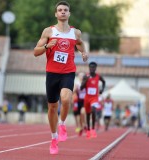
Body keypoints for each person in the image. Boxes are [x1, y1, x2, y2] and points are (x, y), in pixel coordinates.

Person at [34, 1, 88, 155]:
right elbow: (35, 52)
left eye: (65, 10)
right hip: (52, 73)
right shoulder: (48, 32)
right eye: (60, 10)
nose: (63, 12)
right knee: (52, 107)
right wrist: (47, 47)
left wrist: (83, 53)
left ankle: (62, 124)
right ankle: (53, 138)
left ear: (69, 14)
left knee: (65, 100)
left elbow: (80, 44)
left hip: (68, 72)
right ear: (56, 14)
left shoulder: (75, 32)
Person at [80, 61, 106, 139]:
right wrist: (85, 80)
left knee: (94, 110)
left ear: (95, 68)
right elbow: (81, 88)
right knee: (88, 114)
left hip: (94, 98)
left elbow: (104, 82)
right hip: (87, 98)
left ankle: (93, 129)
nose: (92, 69)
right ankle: (88, 130)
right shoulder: (86, 76)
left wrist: (102, 90)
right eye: (90, 67)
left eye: (93, 68)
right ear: (89, 68)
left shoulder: (98, 76)